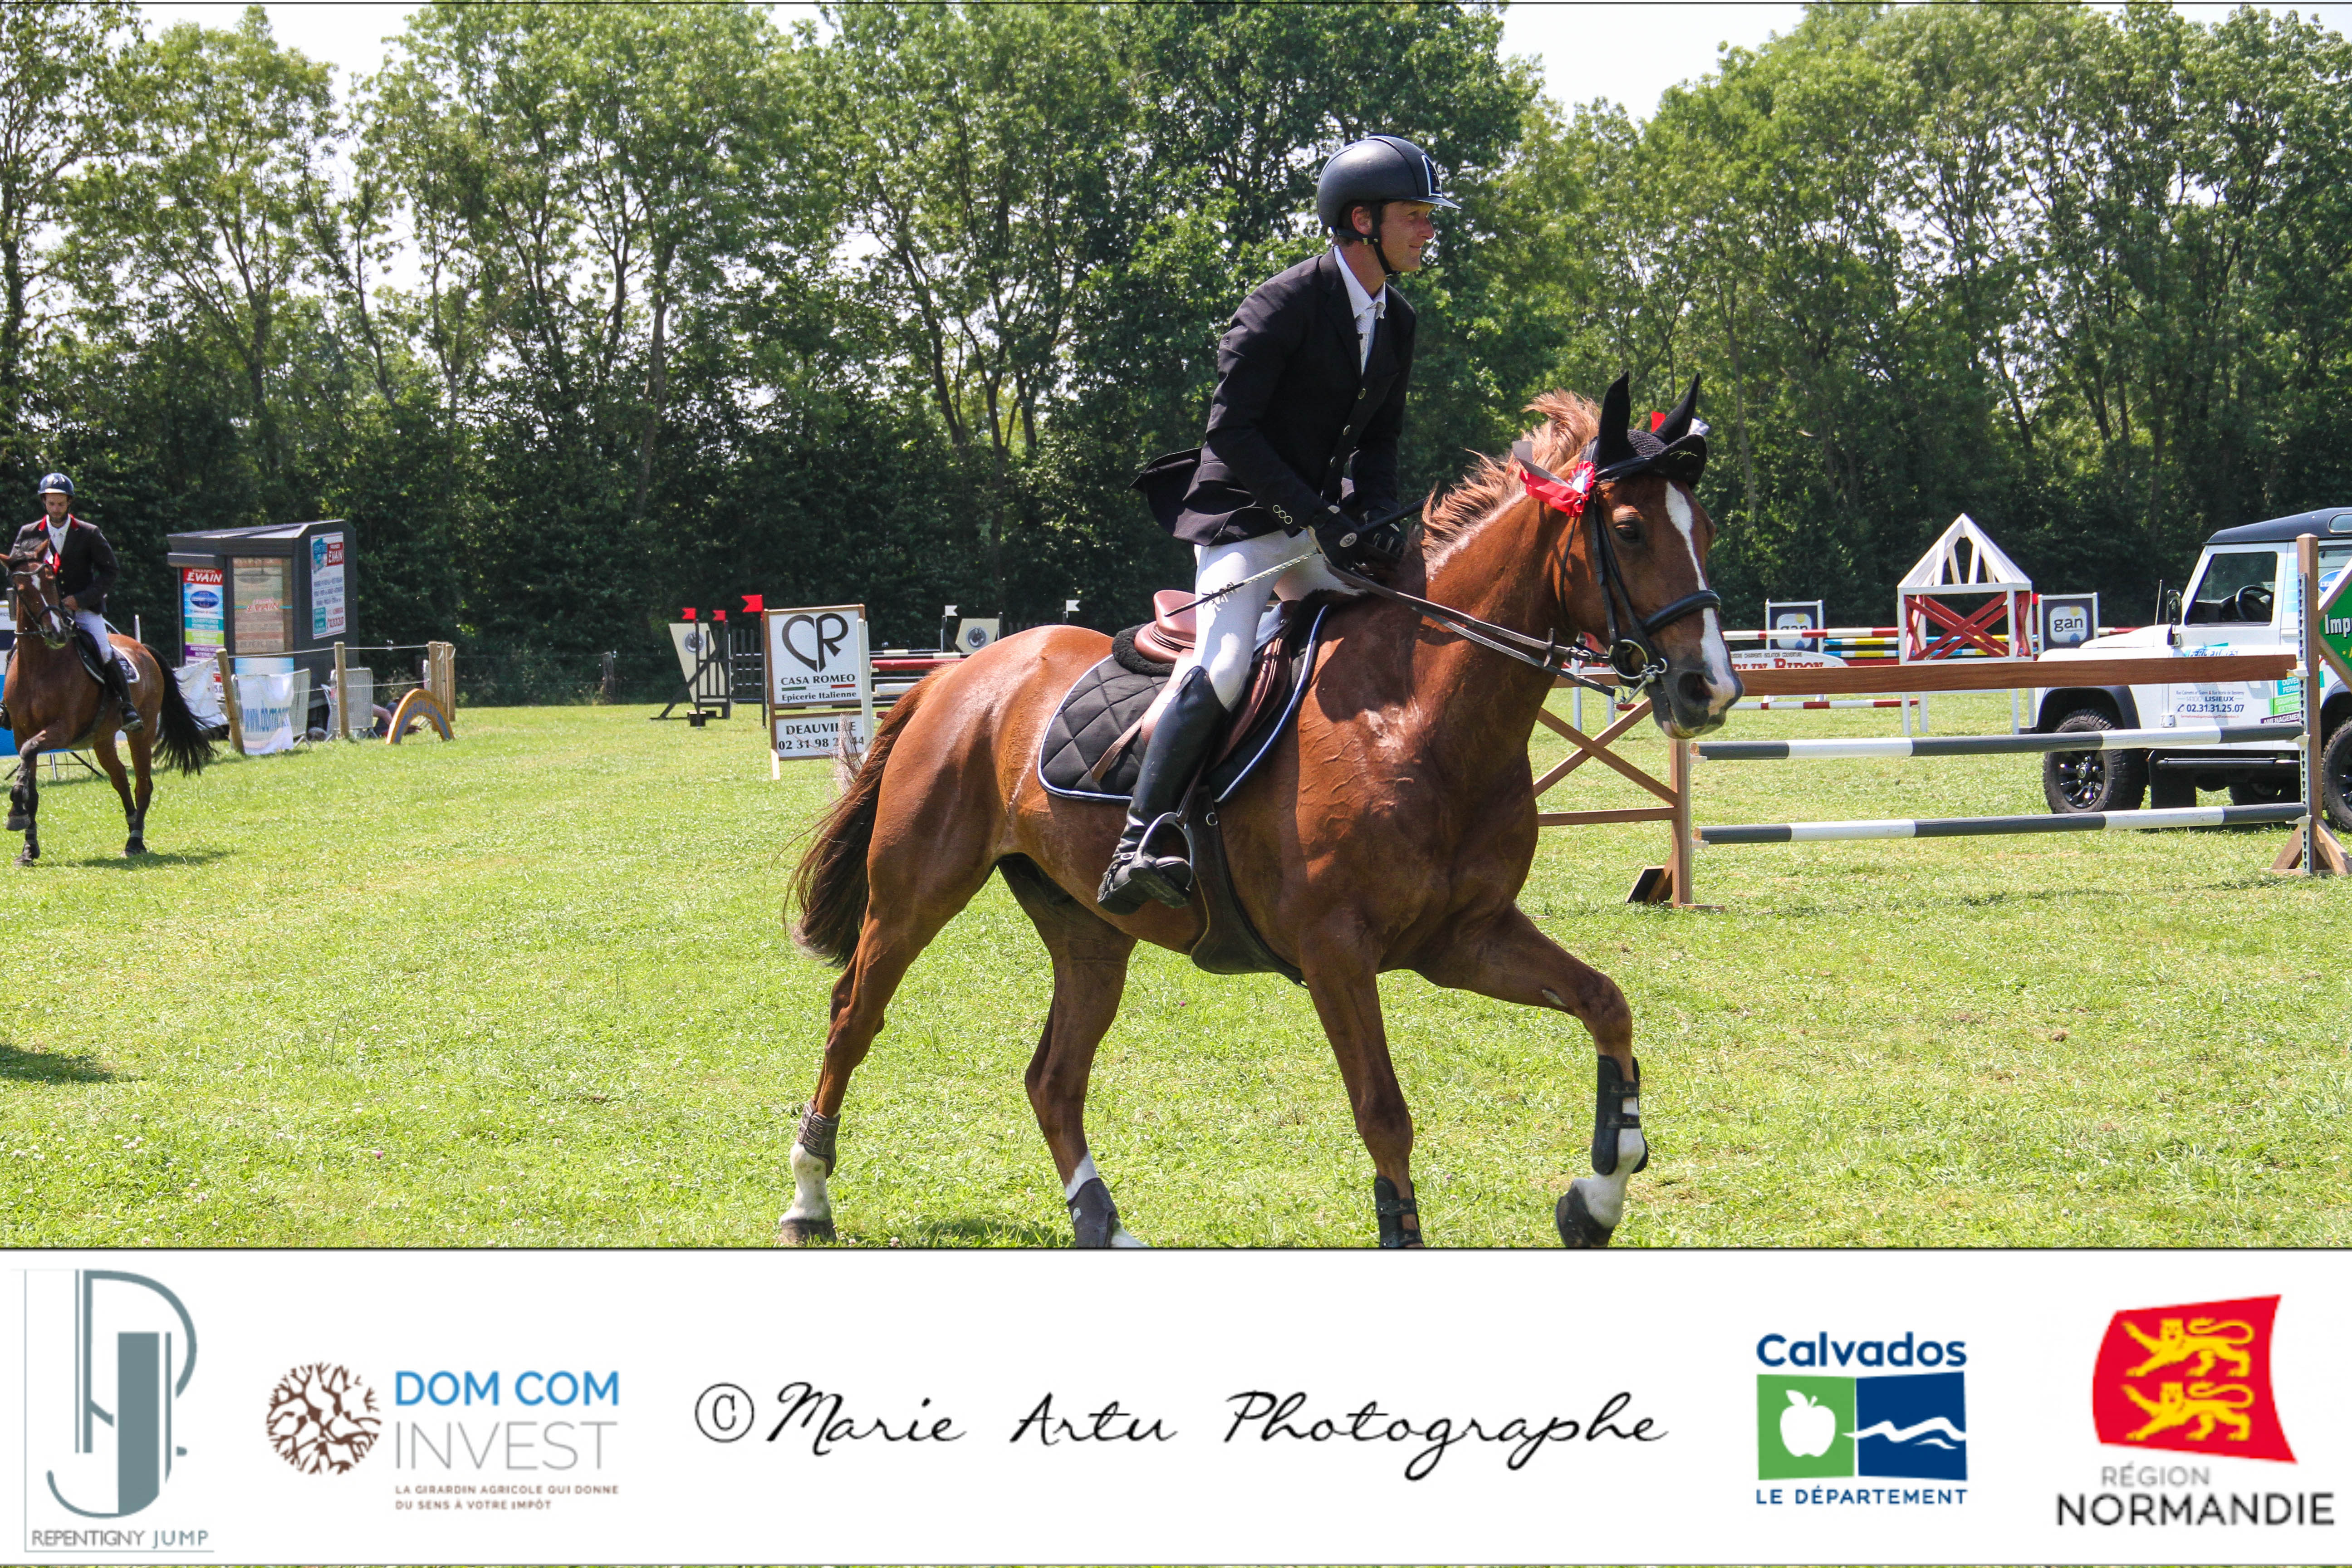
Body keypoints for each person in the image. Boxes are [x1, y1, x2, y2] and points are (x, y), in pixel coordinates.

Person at [1103, 134, 1454, 913]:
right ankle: (1138, 842)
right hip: (1244, 523)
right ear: (1361, 221)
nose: (1428, 229)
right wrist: (1319, 516)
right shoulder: (1281, 304)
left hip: (1319, 526)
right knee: (1227, 663)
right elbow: (1231, 434)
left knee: (1409, 619)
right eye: (1415, 214)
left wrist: (1373, 515)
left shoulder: (1396, 320)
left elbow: (1381, 441)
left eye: (1427, 215)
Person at [7, 473, 141, 734]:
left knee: (104, 650)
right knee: (16, 650)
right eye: (51, 503)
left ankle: (127, 707)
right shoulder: (29, 533)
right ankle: (6, 707)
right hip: (45, 612)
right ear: (44, 502)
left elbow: (110, 571)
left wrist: (81, 599)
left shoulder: (89, 533)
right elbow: (14, 569)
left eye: (61, 503)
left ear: (69, 502)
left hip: (81, 608)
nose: (56, 509)